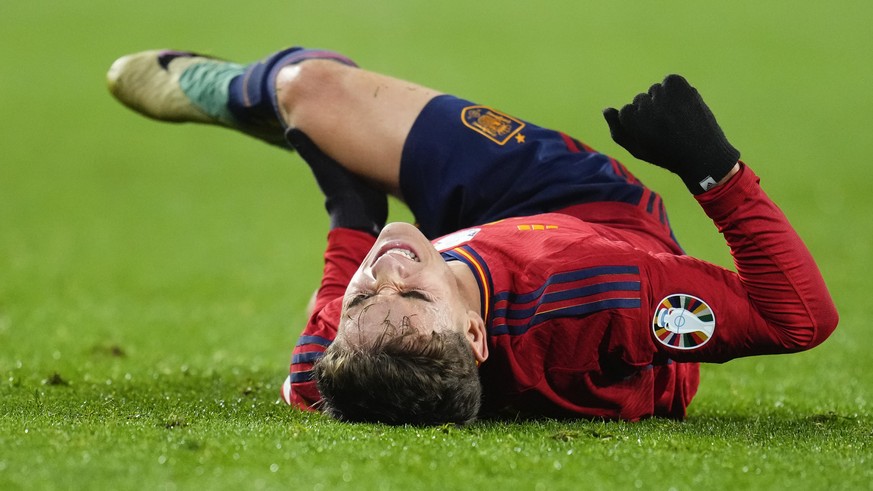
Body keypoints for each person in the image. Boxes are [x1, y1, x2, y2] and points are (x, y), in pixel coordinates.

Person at [107, 46, 839, 425]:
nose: (384, 270)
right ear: (475, 335)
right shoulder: (602, 296)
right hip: (584, 210)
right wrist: (713, 168)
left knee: (312, 90)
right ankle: (298, 105)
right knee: (317, 90)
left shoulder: (351, 359)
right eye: (411, 288)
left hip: (470, 242)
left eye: (363, 301)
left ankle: (255, 96)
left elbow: (323, 348)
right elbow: (799, 317)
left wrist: (352, 214)